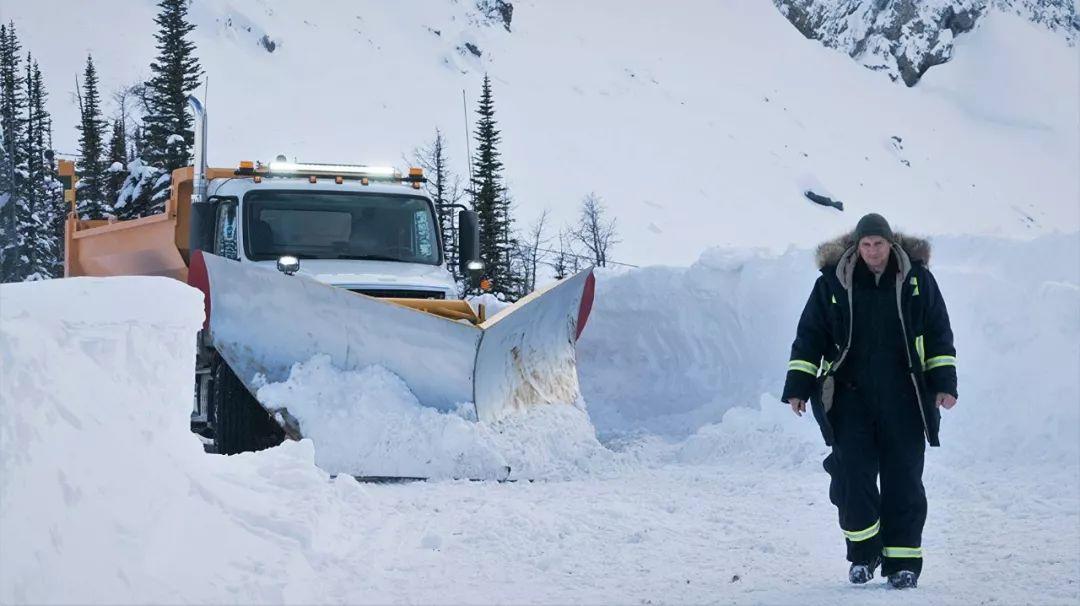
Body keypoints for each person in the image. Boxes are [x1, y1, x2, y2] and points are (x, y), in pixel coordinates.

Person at [782, 213, 958, 590]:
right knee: (852, 476)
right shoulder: (832, 283)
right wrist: (798, 386)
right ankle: (863, 555)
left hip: (905, 398)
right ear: (856, 246)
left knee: (904, 480)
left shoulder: (917, 281)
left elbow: (938, 333)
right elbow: (810, 336)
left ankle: (903, 562)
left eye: (879, 244)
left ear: (890, 244)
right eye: (866, 245)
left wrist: (944, 383)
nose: (873, 251)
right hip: (850, 399)